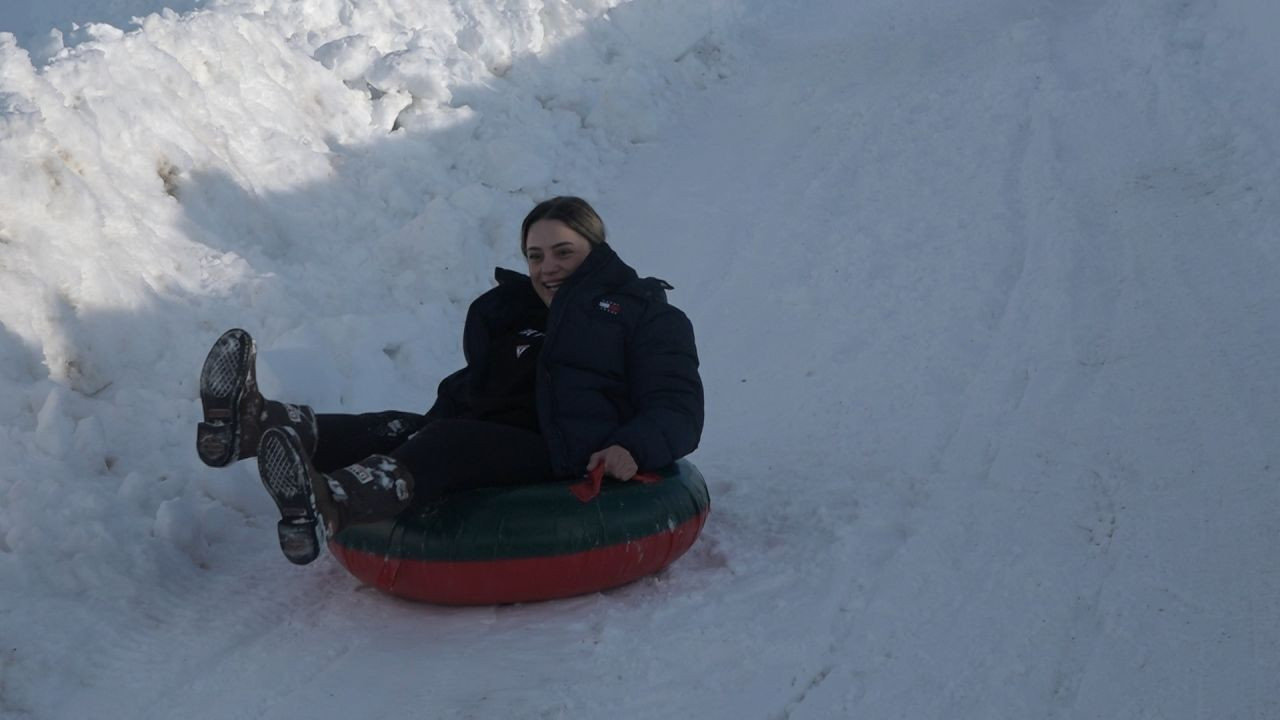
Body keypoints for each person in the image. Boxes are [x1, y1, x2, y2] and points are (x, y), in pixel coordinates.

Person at [196, 196, 704, 565]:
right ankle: (252, 424)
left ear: (596, 250)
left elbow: (677, 407)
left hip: (563, 450)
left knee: (449, 441)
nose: (547, 267)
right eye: (535, 255)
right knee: (391, 427)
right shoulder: (518, 314)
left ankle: (330, 503)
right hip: (484, 431)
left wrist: (630, 447)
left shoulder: (645, 316)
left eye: (563, 252)